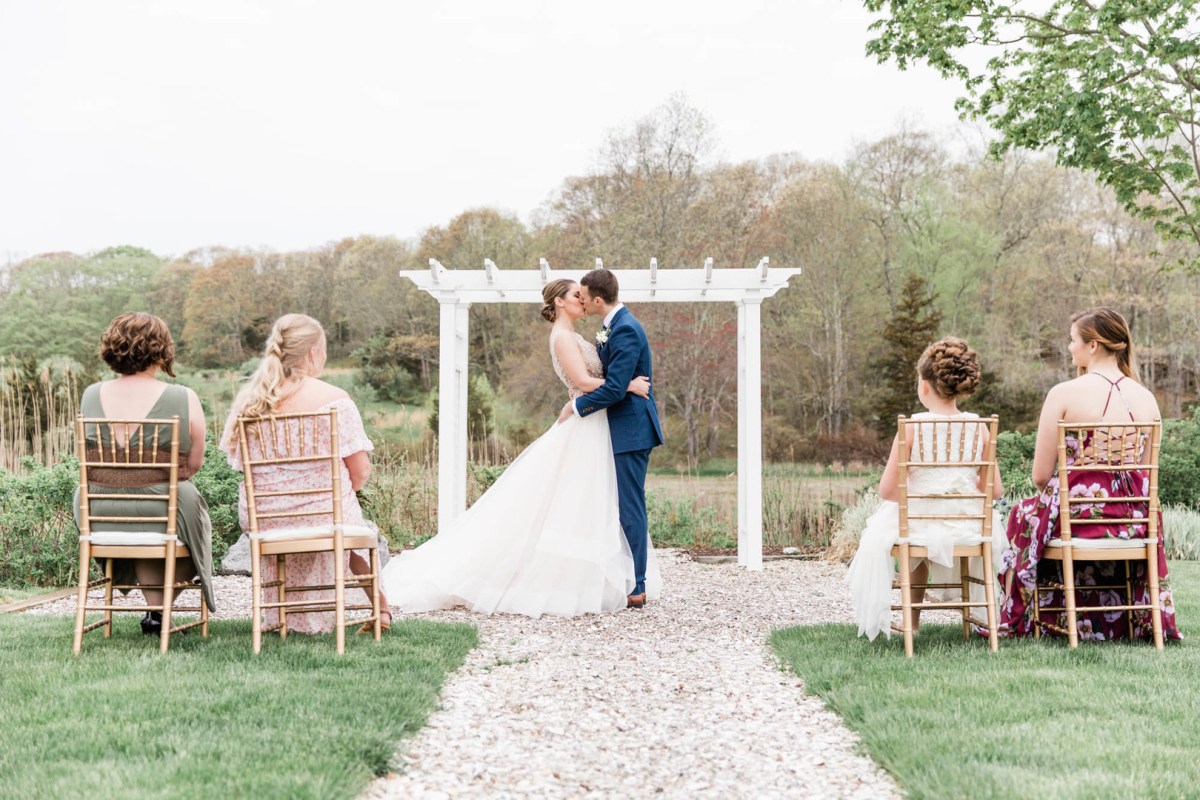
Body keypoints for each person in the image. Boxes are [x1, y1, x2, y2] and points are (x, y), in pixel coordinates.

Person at [381, 278, 661, 617]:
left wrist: (610, 390)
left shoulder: (599, 332)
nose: (582, 301)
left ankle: (618, 581)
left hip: (604, 426)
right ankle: (607, 583)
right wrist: (623, 387)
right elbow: (587, 383)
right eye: (576, 295)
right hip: (589, 424)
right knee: (572, 503)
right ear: (559, 302)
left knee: (593, 503)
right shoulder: (562, 337)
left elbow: (600, 379)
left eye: (584, 296)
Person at [997, 308, 1182, 641]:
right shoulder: (1147, 400)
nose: (1070, 348)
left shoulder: (1064, 393)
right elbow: (1142, 471)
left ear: (1093, 345)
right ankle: (1115, 620)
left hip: (1079, 515)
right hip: (1134, 519)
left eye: (1072, 341)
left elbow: (1040, 476)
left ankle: (1040, 615)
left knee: (1022, 512)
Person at [220, 313, 390, 633]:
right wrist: (335, 495)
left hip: (266, 518)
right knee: (345, 515)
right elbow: (361, 471)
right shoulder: (335, 400)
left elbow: (241, 467)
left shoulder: (251, 403)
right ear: (313, 354)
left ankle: (284, 613)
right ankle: (380, 610)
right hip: (326, 515)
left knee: (335, 511)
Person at [846, 337, 1004, 641]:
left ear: (925, 386)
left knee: (904, 527)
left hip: (918, 522)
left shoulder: (911, 427)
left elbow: (888, 490)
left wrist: (924, 493)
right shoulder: (980, 426)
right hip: (968, 523)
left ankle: (912, 621)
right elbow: (993, 491)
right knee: (923, 527)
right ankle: (977, 618)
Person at [75, 312, 215, 635]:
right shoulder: (184, 397)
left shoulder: (90, 394)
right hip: (163, 505)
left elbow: (88, 459)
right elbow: (193, 465)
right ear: (161, 349)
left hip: (98, 507)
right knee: (193, 524)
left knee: (151, 527)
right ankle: (158, 608)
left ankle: (155, 611)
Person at [557, 268, 665, 608]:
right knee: (613, 504)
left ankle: (638, 585)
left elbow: (616, 388)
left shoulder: (626, 330)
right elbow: (617, 381)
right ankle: (619, 577)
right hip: (615, 427)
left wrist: (576, 406)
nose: (583, 303)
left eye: (585, 297)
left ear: (599, 299)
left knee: (629, 505)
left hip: (631, 429)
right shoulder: (611, 328)